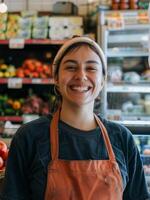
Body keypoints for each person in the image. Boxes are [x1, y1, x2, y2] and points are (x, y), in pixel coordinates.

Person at [1, 36, 150, 200]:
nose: (81, 75)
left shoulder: (122, 138)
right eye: (71, 67)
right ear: (56, 78)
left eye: (91, 68)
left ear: (102, 81)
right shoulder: (28, 137)